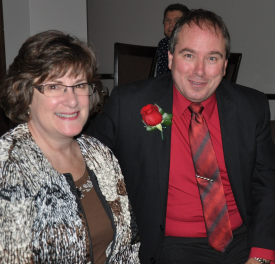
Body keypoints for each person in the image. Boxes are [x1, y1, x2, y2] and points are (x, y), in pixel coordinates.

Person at [86, 9, 275, 264]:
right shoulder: (128, 105)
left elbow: (266, 184)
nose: (200, 71)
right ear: (171, 58)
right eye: (189, 55)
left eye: (212, 58)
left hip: (243, 238)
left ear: (224, 65)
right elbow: (83, 163)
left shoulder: (251, 107)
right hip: (171, 246)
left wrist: (262, 253)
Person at [0, 30, 140, 264]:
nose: (72, 100)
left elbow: (128, 247)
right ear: (26, 93)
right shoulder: (2, 170)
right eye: (54, 86)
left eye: (79, 85)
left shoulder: (99, 154)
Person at [156, 3, 189, 76]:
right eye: (167, 20)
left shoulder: (191, 45)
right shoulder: (163, 44)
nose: (171, 24)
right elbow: (160, 75)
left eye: (176, 20)